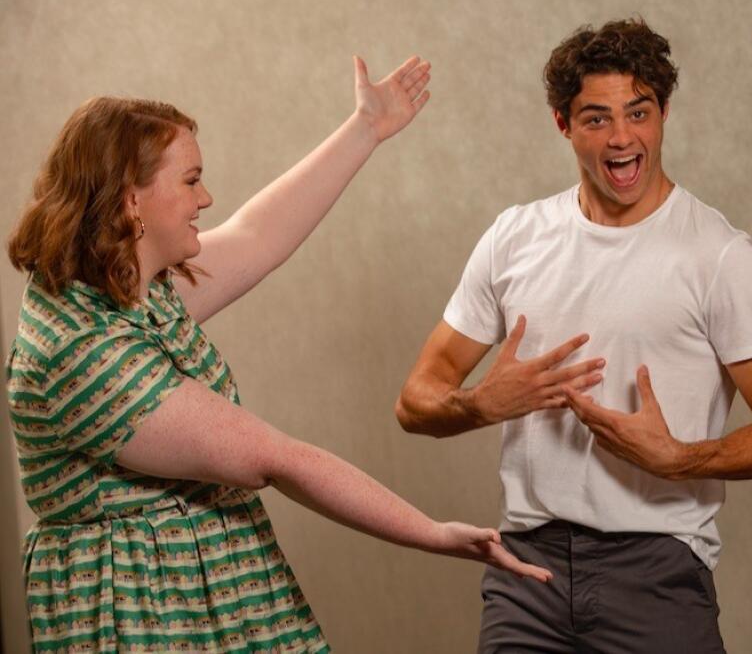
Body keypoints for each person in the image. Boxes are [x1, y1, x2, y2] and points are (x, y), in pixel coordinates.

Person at [7, 56, 550, 653]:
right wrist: (436, 533)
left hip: (205, 595)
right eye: (190, 180)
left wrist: (366, 127)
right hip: (150, 617)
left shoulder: (133, 286)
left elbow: (255, 236)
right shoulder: (85, 351)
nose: (206, 197)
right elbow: (276, 459)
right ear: (131, 199)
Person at [395, 19, 752, 653]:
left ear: (664, 113)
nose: (622, 138)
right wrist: (480, 403)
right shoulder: (514, 237)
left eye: (638, 113)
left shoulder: (719, 255)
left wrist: (682, 458)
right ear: (563, 124)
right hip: (525, 570)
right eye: (596, 118)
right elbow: (415, 401)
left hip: (657, 570)